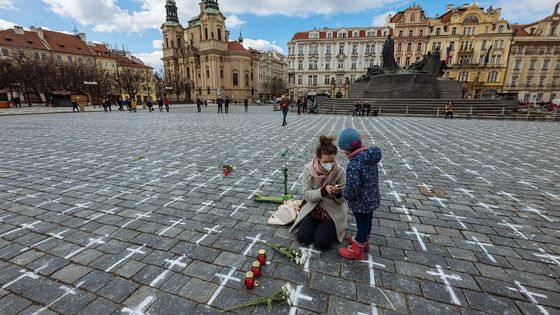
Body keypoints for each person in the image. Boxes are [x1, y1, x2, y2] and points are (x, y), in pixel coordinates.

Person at [290, 136, 348, 250]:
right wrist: (323, 191)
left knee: (322, 243)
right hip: (313, 207)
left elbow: (343, 199)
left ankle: (329, 227)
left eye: (332, 161)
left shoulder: (340, 171)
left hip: (331, 210)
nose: (329, 164)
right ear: (318, 158)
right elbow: (306, 194)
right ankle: (312, 224)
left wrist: (337, 193)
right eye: (326, 162)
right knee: (304, 238)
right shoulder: (308, 169)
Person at [337, 128, 382, 260]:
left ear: (348, 148)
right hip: (372, 198)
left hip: (361, 202)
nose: (343, 152)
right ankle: (364, 243)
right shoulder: (369, 157)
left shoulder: (355, 164)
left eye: (343, 149)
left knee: (362, 224)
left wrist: (344, 194)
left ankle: (357, 250)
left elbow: (353, 188)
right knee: (368, 222)